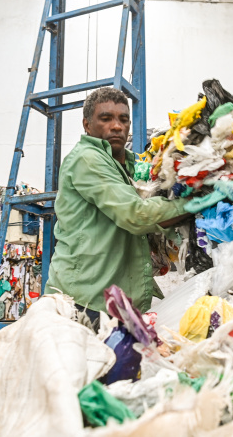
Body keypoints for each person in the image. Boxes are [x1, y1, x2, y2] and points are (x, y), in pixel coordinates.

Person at [45, 87, 189, 322]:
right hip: (85, 303)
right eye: (106, 118)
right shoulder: (87, 159)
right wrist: (192, 204)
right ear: (86, 125)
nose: (117, 126)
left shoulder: (125, 167)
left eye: (123, 119)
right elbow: (136, 215)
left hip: (112, 305)